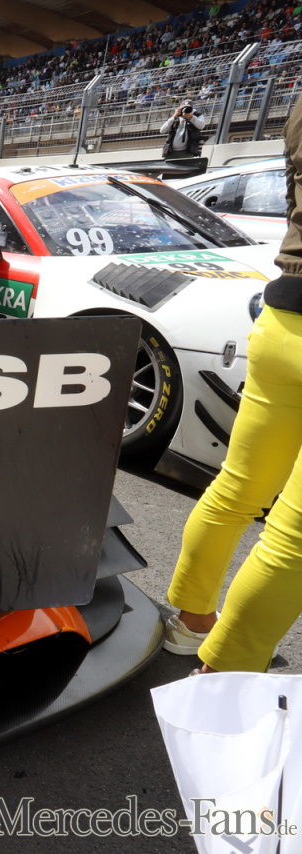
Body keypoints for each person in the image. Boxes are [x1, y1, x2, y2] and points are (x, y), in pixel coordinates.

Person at [162, 94, 302, 674]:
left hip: (284, 315)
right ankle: (225, 673)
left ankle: (190, 621)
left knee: (237, 489)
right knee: (295, 537)